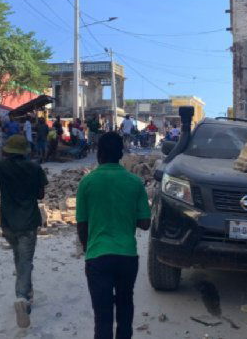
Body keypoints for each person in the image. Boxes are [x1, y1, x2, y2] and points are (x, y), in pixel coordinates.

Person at [76, 132, 151, 339]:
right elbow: (145, 224)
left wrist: (87, 251)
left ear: (99, 153)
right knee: (125, 307)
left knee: (102, 316)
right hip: (127, 255)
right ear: (120, 154)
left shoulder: (87, 183)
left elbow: (82, 225)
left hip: (98, 256)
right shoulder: (135, 183)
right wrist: (127, 215)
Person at [0, 134, 48, 328]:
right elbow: (41, 194)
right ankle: (22, 297)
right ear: (25, 151)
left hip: (8, 222)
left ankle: (27, 291)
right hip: (28, 221)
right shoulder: (34, 167)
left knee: (19, 257)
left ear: (7, 151)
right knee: (25, 260)